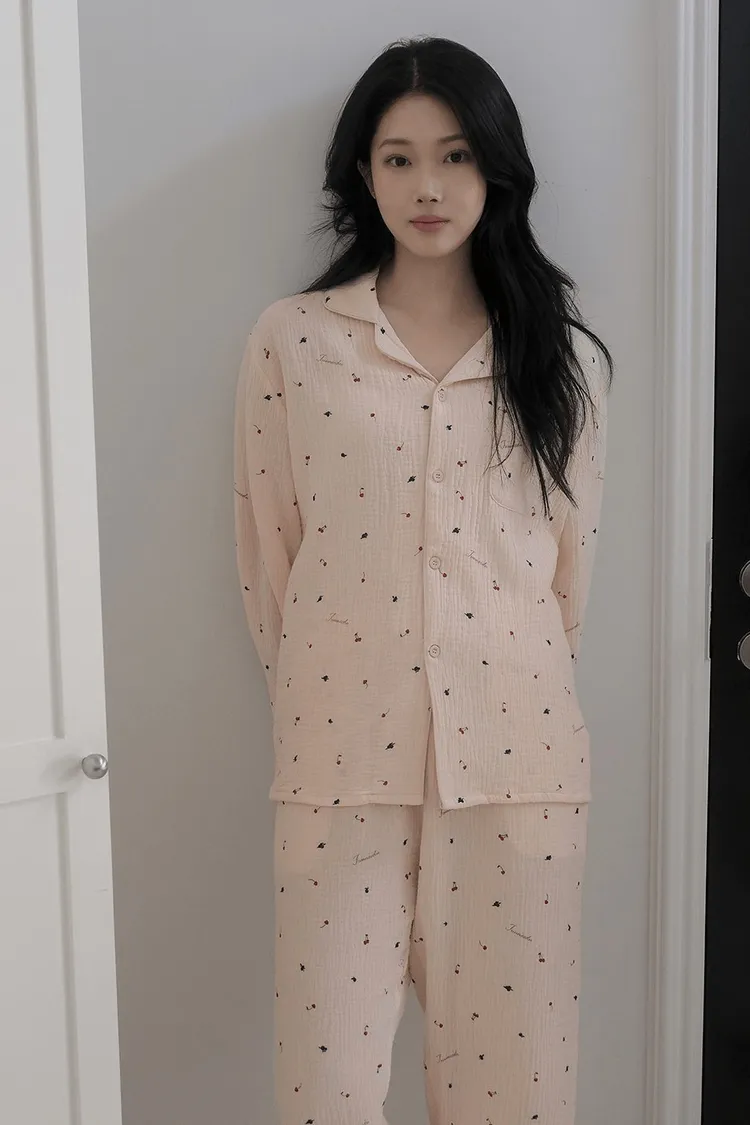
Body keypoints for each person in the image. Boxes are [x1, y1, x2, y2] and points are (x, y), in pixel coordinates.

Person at [233, 34, 613, 1125]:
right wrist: (336, 695)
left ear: (495, 167)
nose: (428, 187)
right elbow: (270, 556)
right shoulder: (296, 343)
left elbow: (567, 579)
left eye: (455, 155)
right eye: (398, 159)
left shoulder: (564, 358)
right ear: (363, 173)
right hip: (341, 769)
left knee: (513, 1096)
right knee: (328, 1093)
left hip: (518, 771)